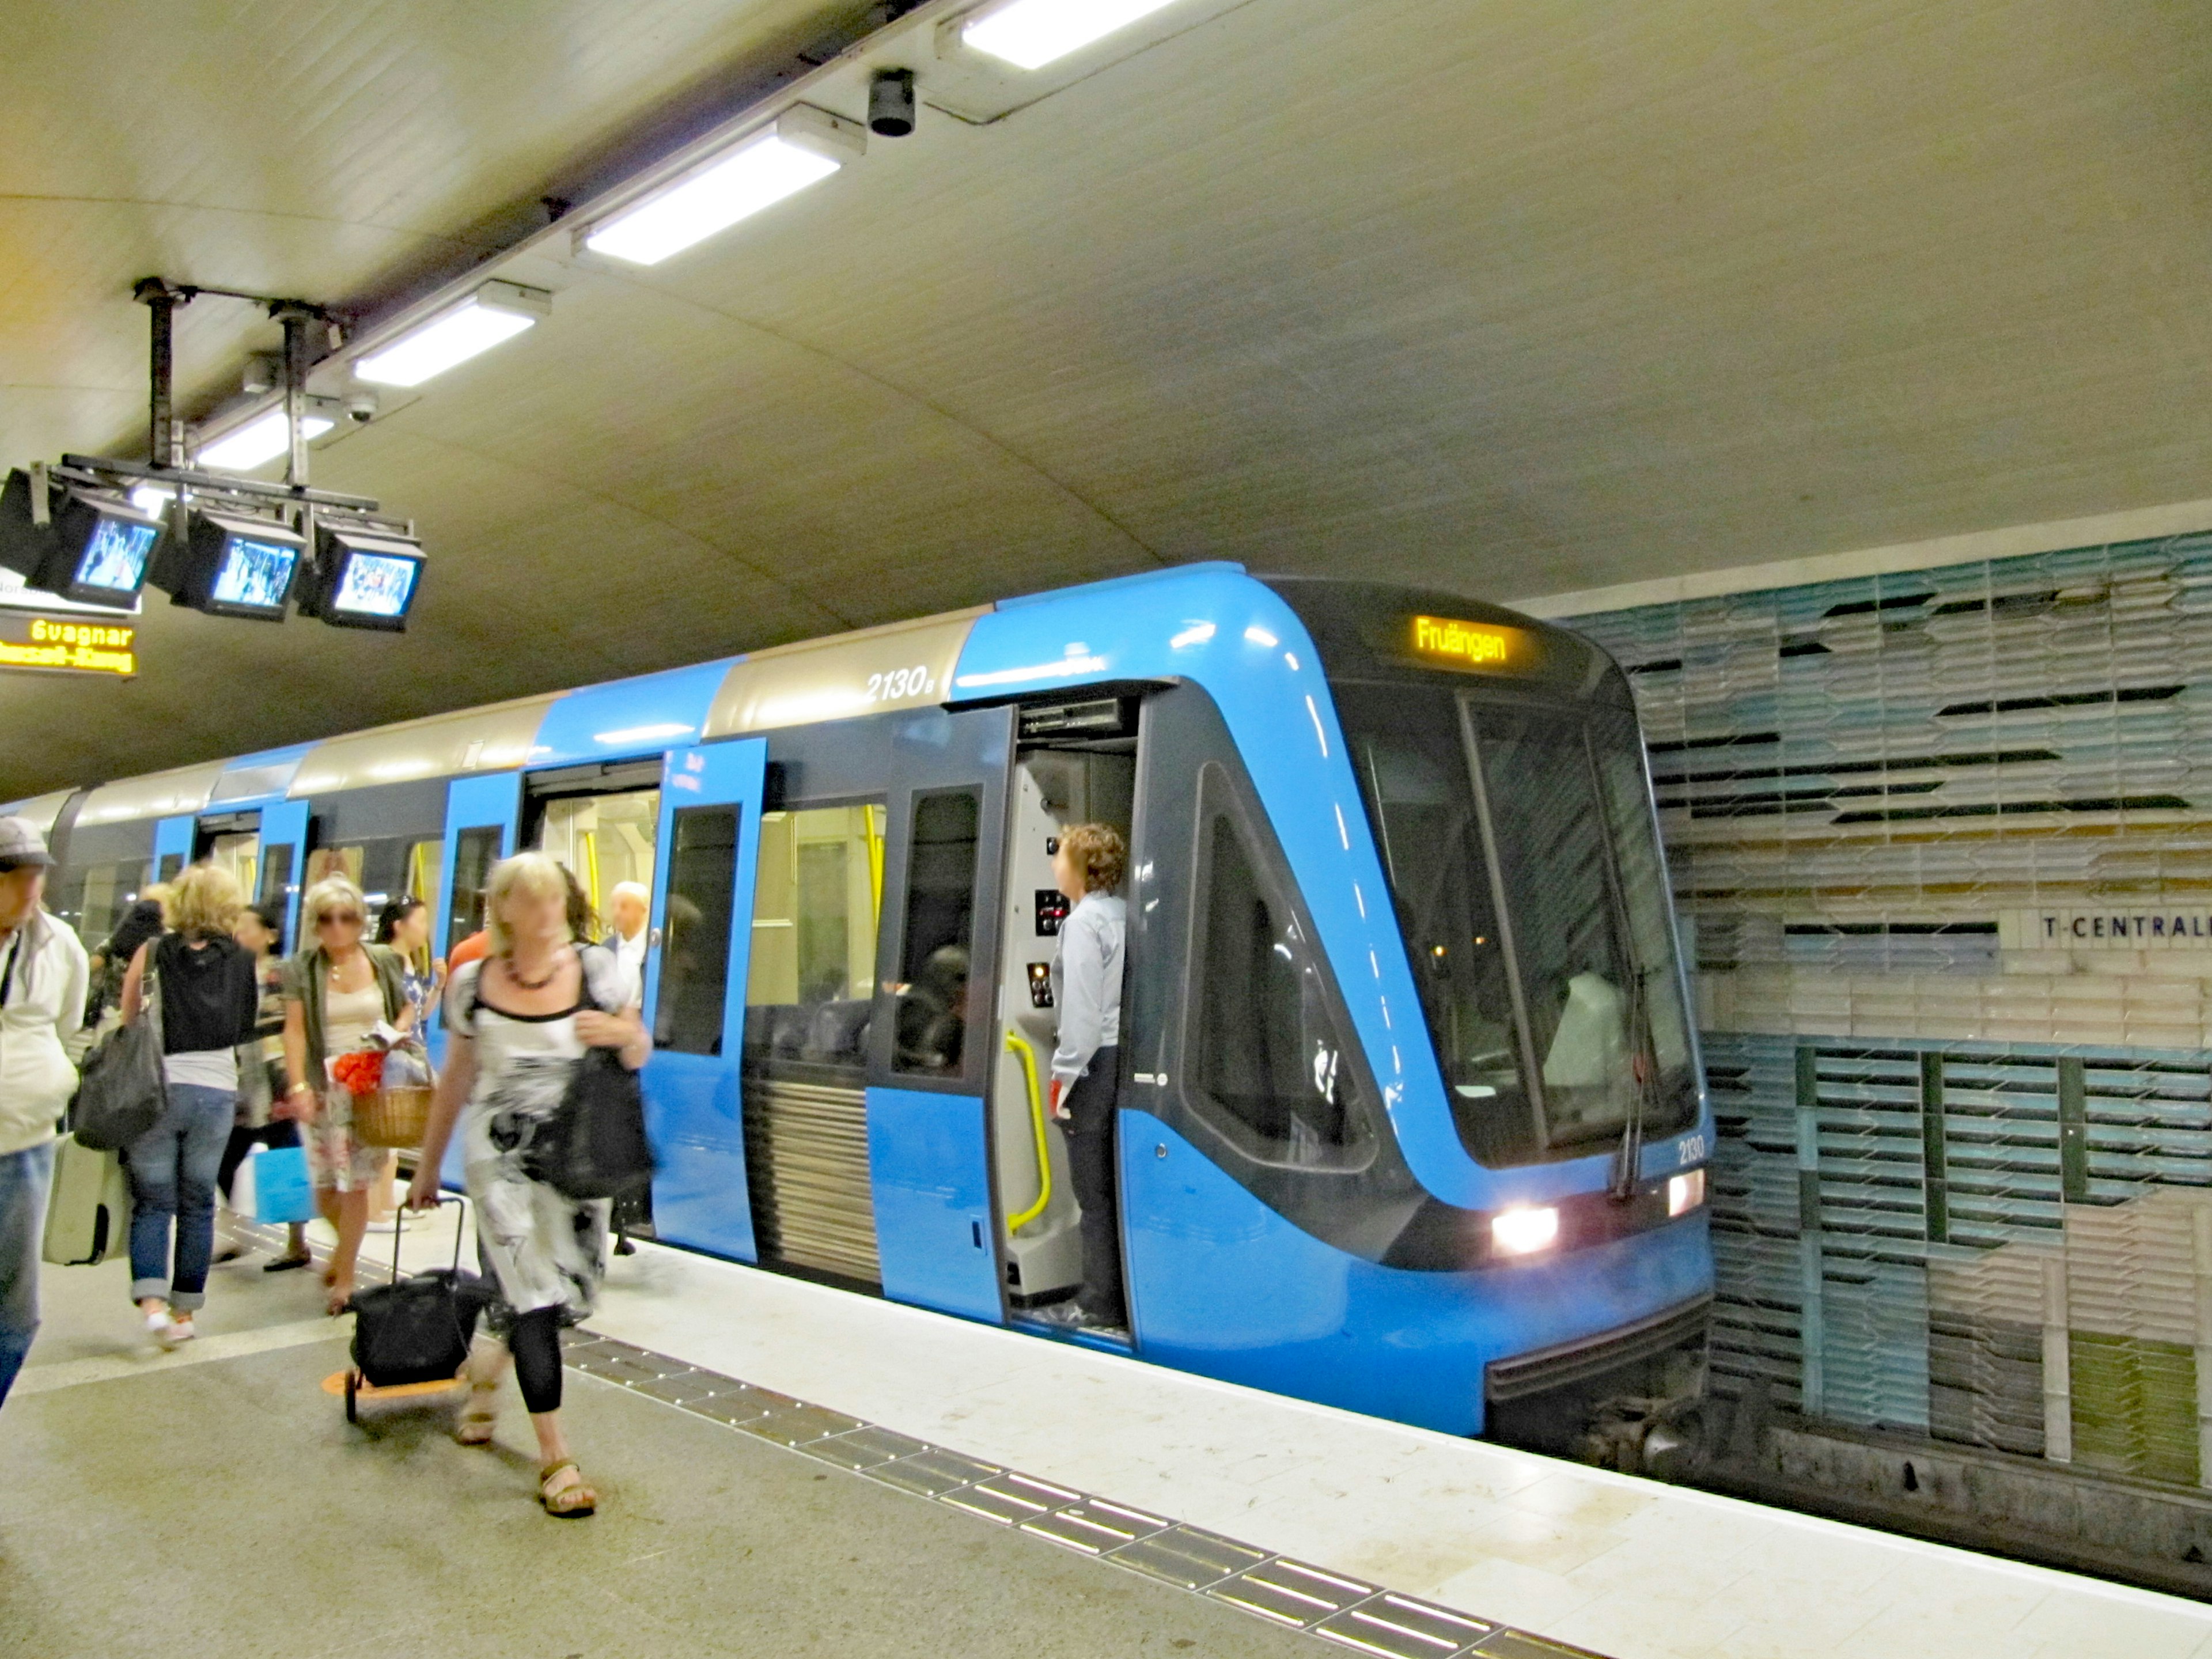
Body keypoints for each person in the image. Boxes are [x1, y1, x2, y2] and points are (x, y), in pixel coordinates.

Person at [408, 852, 649, 1518]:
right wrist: (429, 1168)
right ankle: (556, 1459)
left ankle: (484, 1376)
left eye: (554, 901)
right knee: (534, 1297)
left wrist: (623, 1034)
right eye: (531, 902)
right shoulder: (470, 983)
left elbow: (637, 1050)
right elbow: (455, 1077)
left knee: (571, 1292)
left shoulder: (599, 970)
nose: (546, 915)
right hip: (498, 1157)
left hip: (575, 1155)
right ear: (504, 909)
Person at [118, 862, 260, 1346]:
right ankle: (186, 1316)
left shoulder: (153, 950)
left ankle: (153, 1304)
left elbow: (129, 1014)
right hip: (216, 1092)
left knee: (153, 1201)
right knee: (199, 1205)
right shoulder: (241, 960)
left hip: (157, 1090)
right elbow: (245, 1027)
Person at [281, 876, 413, 1314]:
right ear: (315, 925)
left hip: (368, 1087)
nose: (337, 928)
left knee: (355, 1185)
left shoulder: (383, 961)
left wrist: (396, 1034)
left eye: (348, 918)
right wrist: (299, 1084)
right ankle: (343, 1254)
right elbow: (295, 1030)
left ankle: (348, 1278)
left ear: (360, 921)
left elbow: (407, 1006)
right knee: (324, 1190)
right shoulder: (303, 967)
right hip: (324, 1087)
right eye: (326, 920)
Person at [0, 818, 88, 1409]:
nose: (31, 889)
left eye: (37, 876)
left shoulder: (60, 946)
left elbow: (70, 1028)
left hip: (24, 1148)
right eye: (17, 877)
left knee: (16, 1314)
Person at [1031, 824, 1129, 1334]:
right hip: (1121, 1061)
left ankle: (1097, 1304)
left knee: (1092, 1196)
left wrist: (1063, 1076)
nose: (1054, 866)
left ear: (1082, 868)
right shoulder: (1123, 912)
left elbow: (1083, 1017)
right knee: (1115, 1190)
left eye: (1061, 857)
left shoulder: (1084, 923)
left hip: (1092, 1066)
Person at [215, 903, 310, 1271]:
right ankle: (237, 1232)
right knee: (223, 1162)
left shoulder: (284, 975)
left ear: (270, 935)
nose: (239, 934)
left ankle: (297, 1243)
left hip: (276, 1081)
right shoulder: (229, 973)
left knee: (285, 1159)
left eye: (247, 927)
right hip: (239, 1080)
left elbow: (297, 1026)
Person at [374, 895, 445, 1030]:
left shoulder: (411, 964)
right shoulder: (382, 965)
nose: (426, 928)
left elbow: (422, 1013)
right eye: (422, 921)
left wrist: (439, 985)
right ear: (399, 926)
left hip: (413, 1048)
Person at [603, 880, 649, 1011]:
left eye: (624, 907)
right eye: (614, 907)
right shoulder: (606, 948)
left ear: (643, 910)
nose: (617, 913)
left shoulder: (656, 948)